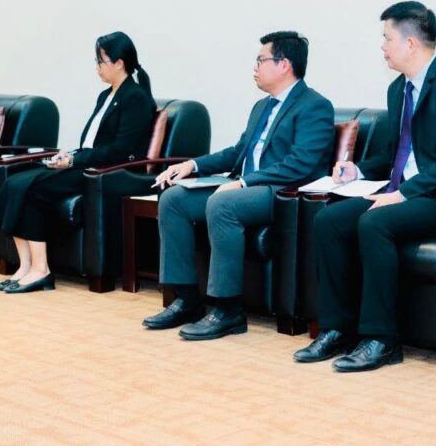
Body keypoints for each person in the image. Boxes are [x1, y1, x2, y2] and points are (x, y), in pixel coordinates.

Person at [293, 1, 436, 372]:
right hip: (405, 191)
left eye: (387, 38)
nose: (382, 46)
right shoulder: (397, 89)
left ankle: (382, 339)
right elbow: (393, 154)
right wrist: (356, 171)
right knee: (329, 221)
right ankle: (337, 328)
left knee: (375, 222)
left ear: (410, 43)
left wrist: (402, 194)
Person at [141, 31, 333, 340]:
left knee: (223, 203)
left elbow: (301, 164)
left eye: (260, 60)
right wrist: (192, 165)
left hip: (281, 192)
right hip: (245, 187)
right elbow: (237, 152)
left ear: (283, 64)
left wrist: (244, 182)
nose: (254, 67)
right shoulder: (261, 106)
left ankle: (228, 310)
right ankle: (187, 300)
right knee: (174, 199)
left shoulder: (315, 106)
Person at [0, 31, 155, 293]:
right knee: (14, 182)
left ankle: (41, 271)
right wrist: (68, 155)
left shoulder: (135, 98)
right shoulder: (105, 96)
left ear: (119, 63)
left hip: (105, 172)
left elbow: (120, 150)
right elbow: (93, 142)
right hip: (87, 163)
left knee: (32, 189)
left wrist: (75, 159)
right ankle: (25, 266)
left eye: (101, 61)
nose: (97, 67)